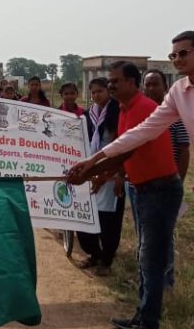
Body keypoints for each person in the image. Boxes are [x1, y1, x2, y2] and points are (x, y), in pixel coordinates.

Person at [68, 30, 194, 328]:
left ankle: (149, 319)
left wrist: (93, 169)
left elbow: (139, 147)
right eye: (173, 55)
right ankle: (147, 317)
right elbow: (138, 135)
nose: (177, 59)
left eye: (183, 53)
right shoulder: (177, 93)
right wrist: (94, 164)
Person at [93, 61, 181, 329]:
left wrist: (92, 170)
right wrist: (107, 175)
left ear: (132, 82)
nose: (111, 85)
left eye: (116, 81)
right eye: (109, 81)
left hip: (159, 190)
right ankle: (142, 315)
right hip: (143, 189)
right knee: (145, 257)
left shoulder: (144, 108)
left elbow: (127, 150)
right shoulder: (124, 109)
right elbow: (124, 152)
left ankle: (148, 321)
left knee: (150, 260)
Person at [141, 69, 191, 289]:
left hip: (165, 184)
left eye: (155, 84)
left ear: (165, 87)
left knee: (163, 236)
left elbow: (184, 150)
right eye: (147, 84)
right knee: (145, 236)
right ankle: (148, 280)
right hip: (142, 185)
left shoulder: (174, 116)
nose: (151, 89)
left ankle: (165, 281)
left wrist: (178, 180)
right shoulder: (143, 114)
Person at [75, 77, 124, 276]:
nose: (96, 95)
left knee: (108, 220)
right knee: (86, 214)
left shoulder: (118, 112)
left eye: (100, 91)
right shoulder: (87, 116)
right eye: (93, 92)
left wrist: (118, 174)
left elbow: (122, 145)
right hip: (90, 171)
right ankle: (93, 253)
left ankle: (106, 260)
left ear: (108, 91)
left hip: (111, 172)